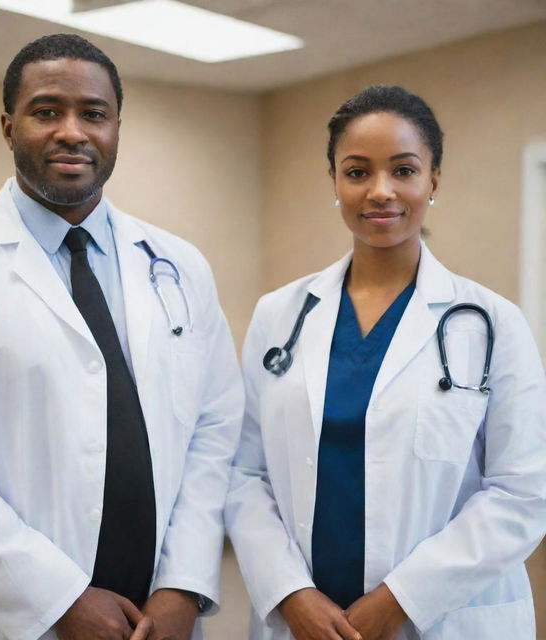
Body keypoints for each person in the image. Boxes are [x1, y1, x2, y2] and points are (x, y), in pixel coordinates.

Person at [0, 34, 243, 640]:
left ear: (117, 127)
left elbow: (214, 433)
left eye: (94, 113)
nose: (72, 131)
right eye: (46, 111)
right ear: (9, 127)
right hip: (11, 616)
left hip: (158, 613)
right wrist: (58, 600)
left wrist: (186, 584)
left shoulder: (178, 264)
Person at [225, 85, 546, 640]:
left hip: (442, 618)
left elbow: (523, 493)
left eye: (403, 170)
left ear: (433, 181)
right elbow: (245, 475)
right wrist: (289, 593)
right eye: (357, 172)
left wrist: (401, 600)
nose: (380, 192)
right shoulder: (279, 314)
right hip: (304, 619)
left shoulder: (494, 323)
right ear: (334, 181)